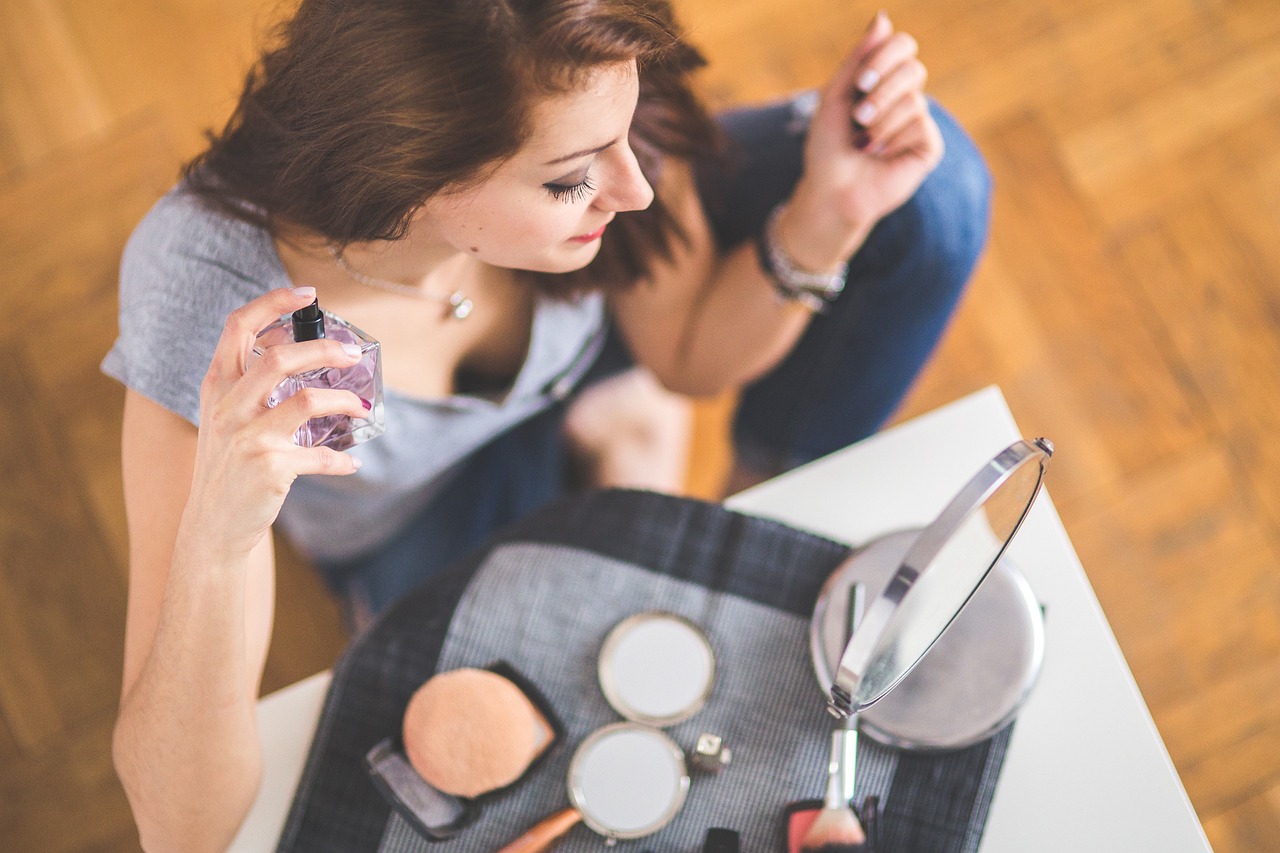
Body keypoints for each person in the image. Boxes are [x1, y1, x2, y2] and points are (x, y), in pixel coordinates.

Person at [103, 0, 990, 848]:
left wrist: (827, 220)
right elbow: (182, 827)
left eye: (624, 138)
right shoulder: (232, 311)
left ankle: (742, 490)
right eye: (573, 180)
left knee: (932, 189)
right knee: (510, 730)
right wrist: (216, 537)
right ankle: (624, 448)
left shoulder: (578, 73)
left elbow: (686, 357)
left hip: (589, 364)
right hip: (423, 511)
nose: (637, 191)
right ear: (413, 178)